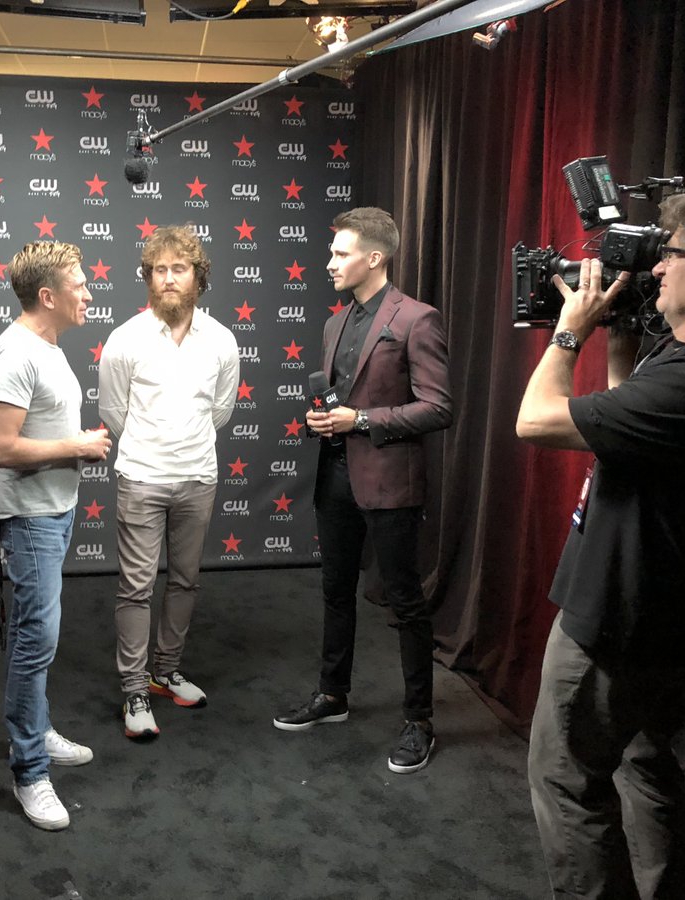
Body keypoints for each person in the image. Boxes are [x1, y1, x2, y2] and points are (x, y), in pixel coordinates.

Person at [515, 178, 685, 897]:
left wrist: (572, 331)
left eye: (672, 253)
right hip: (668, 615)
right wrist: (622, 337)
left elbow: (536, 421)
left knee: (566, 781)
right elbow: (633, 425)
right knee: (646, 764)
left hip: (621, 619)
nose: (655, 266)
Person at [273, 207, 453, 775]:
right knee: (334, 591)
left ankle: (419, 720)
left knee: (405, 602)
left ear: (374, 258)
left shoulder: (418, 320)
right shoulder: (334, 323)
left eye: (340, 253)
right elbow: (340, 404)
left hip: (390, 484)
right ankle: (333, 695)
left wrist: (362, 421)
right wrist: (324, 422)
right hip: (334, 479)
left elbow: (439, 406)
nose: (329, 262)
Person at [0, 241, 112, 830]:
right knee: (35, 643)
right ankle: (29, 772)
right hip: (32, 521)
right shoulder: (15, 354)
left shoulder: (48, 345)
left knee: (40, 642)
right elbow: (0, 449)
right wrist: (77, 445)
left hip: (54, 511)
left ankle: (37, 731)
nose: (89, 292)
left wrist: (70, 444)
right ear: (47, 296)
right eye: (80, 284)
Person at [97, 225, 239, 741]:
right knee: (136, 586)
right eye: (160, 270)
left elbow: (219, 411)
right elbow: (114, 411)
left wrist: (183, 446)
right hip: (141, 476)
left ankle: (165, 671)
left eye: (179, 268)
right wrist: (153, 447)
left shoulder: (222, 340)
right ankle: (135, 688)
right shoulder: (125, 339)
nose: (169, 278)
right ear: (148, 279)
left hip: (198, 476)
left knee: (184, 580)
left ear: (198, 277)